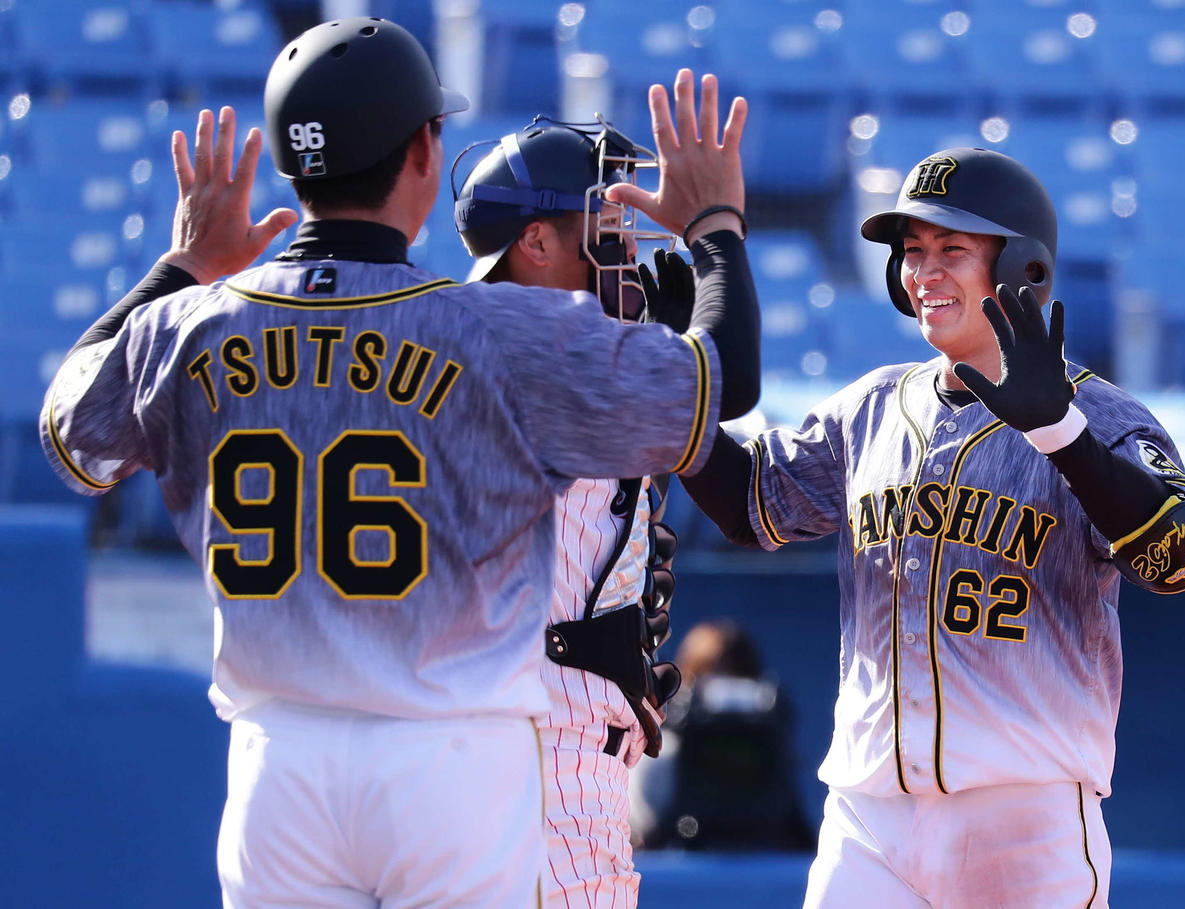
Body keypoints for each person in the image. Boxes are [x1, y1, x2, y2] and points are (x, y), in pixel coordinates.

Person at [38, 17, 756, 907]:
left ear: (296, 169)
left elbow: (68, 431)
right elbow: (724, 378)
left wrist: (182, 266)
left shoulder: (194, 323)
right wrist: (715, 226)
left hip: (279, 763)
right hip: (450, 756)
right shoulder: (496, 328)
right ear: (423, 149)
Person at [679, 147, 1185, 907]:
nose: (922, 271)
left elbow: (1181, 559)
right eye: (912, 251)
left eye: (951, 250)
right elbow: (749, 506)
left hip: (1022, 816)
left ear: (1020, 266)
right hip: (868, 817)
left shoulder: (1102, 415)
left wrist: (1061, 432)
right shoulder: (865, 408)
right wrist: (669, 381)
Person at [451, 114, 699, 906]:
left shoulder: (477, 337)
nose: (624, 249)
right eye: (604, 226)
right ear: (535, 242)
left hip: (532, 748)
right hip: (531, 754)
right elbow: (739, 377)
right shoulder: (529, 347)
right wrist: (718, 242)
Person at [628, 619, 815, 853]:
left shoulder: (777, 759)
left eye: (738, 675)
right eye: (707, 675)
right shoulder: (659, 761)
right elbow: (645, 846)